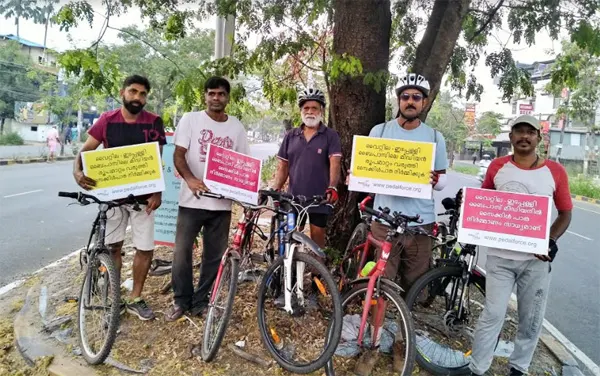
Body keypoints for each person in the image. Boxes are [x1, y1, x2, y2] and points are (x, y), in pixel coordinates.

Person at [350, 73, 449, 375]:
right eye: (405, 96)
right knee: (380, 287)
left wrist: (435, 181)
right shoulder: (379, 132)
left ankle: (403, 344)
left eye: (416, 97)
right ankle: (373, 345)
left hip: (420, 225)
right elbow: (365, 171)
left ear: (424, 102)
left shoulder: (434, 137)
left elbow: (441, 182)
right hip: (384, 222)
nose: (410, 101)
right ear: (398, 100)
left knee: (413, 289)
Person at [470, 115, 572, 376]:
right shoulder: (497, 167)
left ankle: (519, 368)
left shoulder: (555, 172)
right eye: (519, 132)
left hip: (535, 262)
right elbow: (484, 203)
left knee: (530, 320)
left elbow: (565, 213)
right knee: (492, 315)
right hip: (499, 259)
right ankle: (477, 369)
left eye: (530, 132)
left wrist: (550, 240)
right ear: (511, 137)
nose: (524, 137)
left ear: (539, 137)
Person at [72, 75, 166, 320]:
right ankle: (114, 296)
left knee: (145, 248)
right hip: (112, 197)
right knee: (114, 246)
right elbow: (85, 151)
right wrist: (77, 172)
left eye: (143, 93)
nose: (138, 97)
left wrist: (157, 191)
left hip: (144, 198)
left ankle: (135, 297)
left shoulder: (154, 122)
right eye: (133, 91)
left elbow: (158, 159)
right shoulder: (106, 120)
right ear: (123, 92)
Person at [165, 76, 250, 322]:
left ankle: (202, 302)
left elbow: (243, 164)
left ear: (227, 98)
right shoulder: (191, 120)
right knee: (181, 253)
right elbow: (179, 155)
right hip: (191, 202)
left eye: (221, 94)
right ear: (205, 96)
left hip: (221, 204)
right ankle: (181, 301)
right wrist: (191, 179)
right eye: (211, 93)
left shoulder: (236, 127)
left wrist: (243, 192)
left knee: (214, 256)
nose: (216, 98)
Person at [271, 88, 342, 248]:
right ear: (301, 111)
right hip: (293, 198)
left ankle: (317, 273)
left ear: (321, 110)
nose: (310, 112)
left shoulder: (331, 135)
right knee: (290, 240)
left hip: (319, 198)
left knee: (317, 240)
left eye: (314, 108)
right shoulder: (291, 135)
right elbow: (283, 166)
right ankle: (287, 272)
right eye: (306, 108)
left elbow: (335, 162)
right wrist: (275, 188)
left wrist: (332, 186)